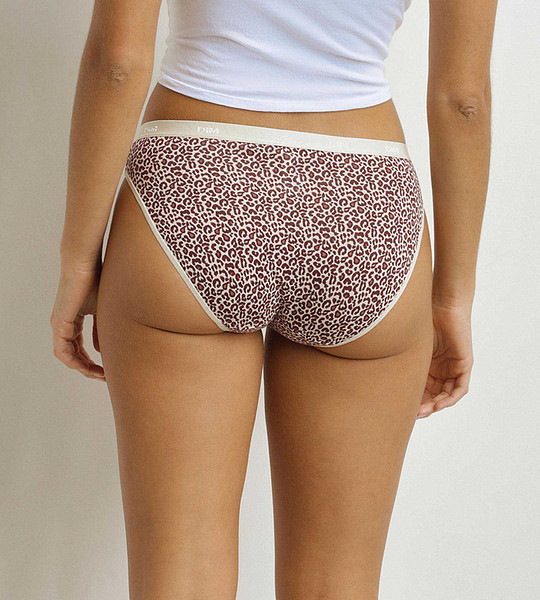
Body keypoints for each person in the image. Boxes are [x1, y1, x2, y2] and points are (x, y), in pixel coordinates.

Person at [50, 0, 498, 598]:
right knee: (338, 582)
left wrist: (79, 260)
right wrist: (452, 299)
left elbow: (117, 61)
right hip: (365, 208)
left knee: (180, 572)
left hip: (194, 185)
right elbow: (463, 99)